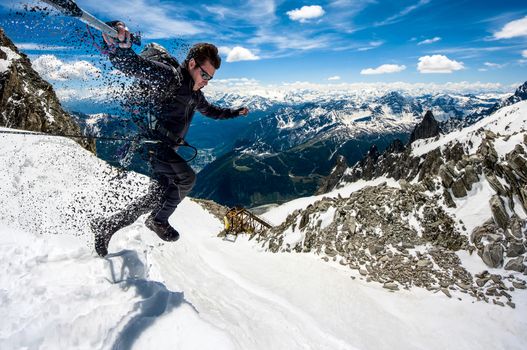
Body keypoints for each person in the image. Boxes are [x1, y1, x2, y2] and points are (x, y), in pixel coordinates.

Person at [93, 21, 249, 257]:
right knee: (187, 179)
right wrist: (121, 48)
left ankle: (105, 227)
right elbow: (133, 65)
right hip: (157, 147)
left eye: (210, 77)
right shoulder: (170, 77)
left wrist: (235, 112)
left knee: (153, 198)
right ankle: (158, 220)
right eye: (204, 73)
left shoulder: (195, 95)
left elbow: (212, 112)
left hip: (164, 149)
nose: (206, 80)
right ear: (192, 64)